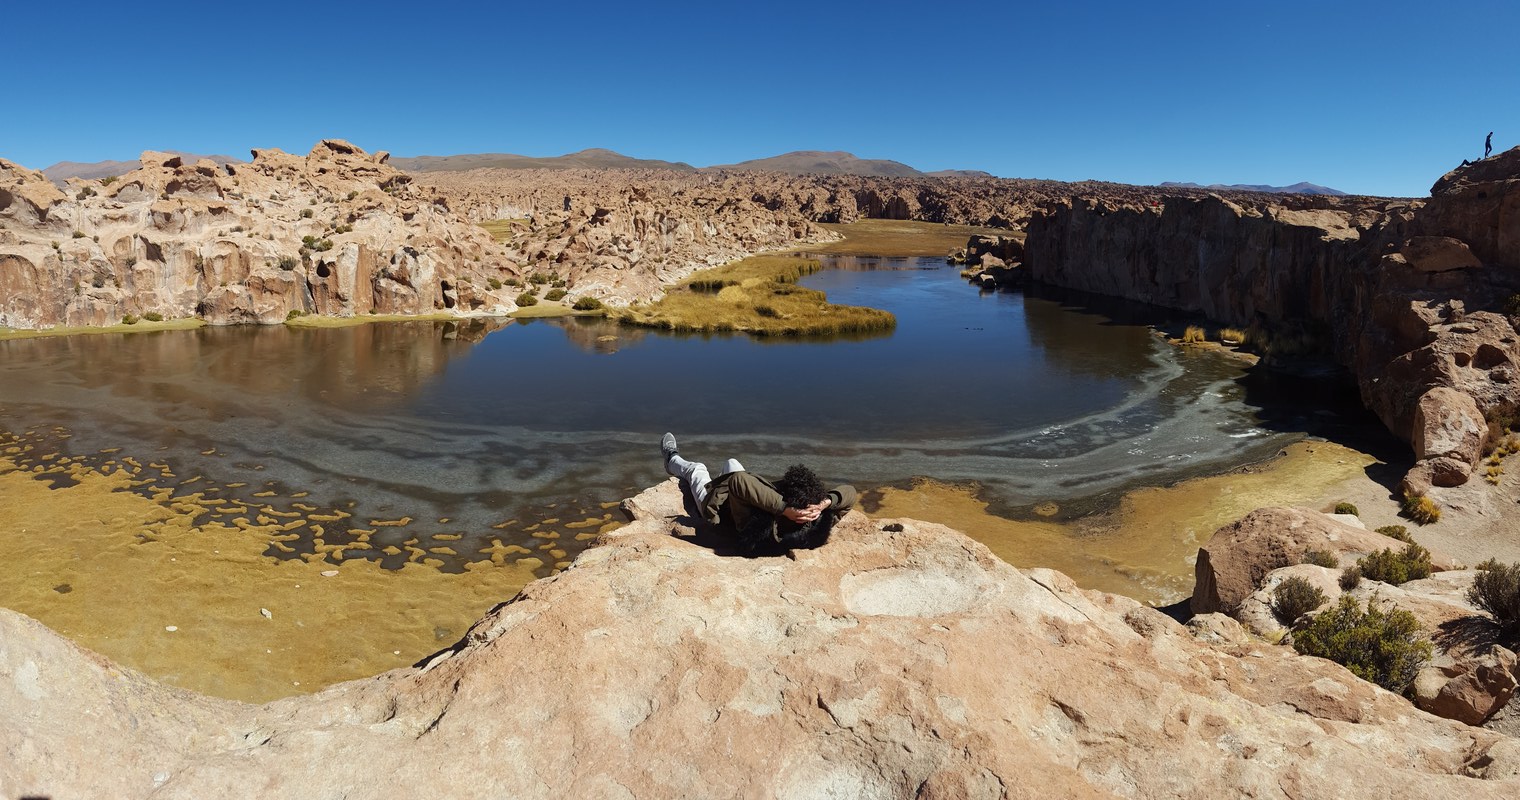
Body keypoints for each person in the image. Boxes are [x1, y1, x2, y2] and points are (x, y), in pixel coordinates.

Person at [660, 432, 856, 555]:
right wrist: (826, 503)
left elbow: (739, 481)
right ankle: (718, 483)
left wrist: (783, 508)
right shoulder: (816, 521)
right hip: (742, 498)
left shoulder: (766, 525)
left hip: (718, 511)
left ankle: (671, 459)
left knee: (697, 469)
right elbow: (850, 492)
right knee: (732, 462)